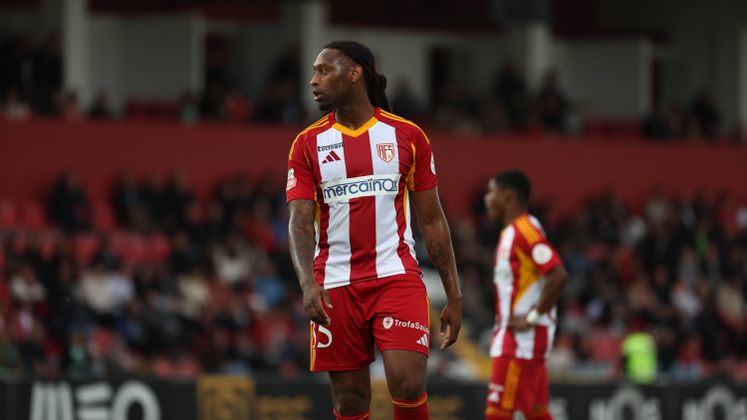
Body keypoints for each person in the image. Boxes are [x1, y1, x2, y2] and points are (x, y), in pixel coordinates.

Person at [286, 40, 462, 420]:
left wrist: (454, 295)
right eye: (314, 72)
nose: (313, 80)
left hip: (395, 277)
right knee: (350, 400)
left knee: (409, 382)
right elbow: (299, 222)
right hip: (335, 283)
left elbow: (433, 221)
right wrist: (307, 283)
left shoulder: (408, 136)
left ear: (355, 73)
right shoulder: (307, 144)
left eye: (323, 70)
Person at [483, 170, 568, 420]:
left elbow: (558, 274)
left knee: (497, 413)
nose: (487, 199)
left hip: (520, 341)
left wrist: (532, 317)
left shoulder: (525, 231)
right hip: (517, 338)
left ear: (508, 196)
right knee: (537, 413)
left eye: (492, 192)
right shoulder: (510, 233)